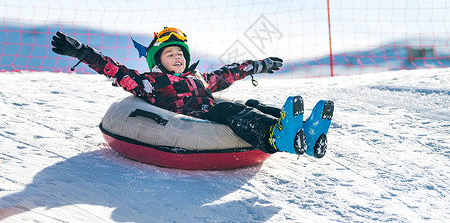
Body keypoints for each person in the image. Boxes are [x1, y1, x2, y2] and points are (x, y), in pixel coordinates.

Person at [51, 27, 308, 156]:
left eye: (180, 54)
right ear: (158, 61)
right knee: (228, 109)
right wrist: (82, 52)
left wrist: (260, 65)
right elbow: (116, 70)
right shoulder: (150, 82)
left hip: (213, 111)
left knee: (253, 105)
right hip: (195, 119)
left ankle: (302, 131)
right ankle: (277, 138)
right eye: (169, 54)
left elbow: (230, 72)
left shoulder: (200, 78)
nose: (177, 58)